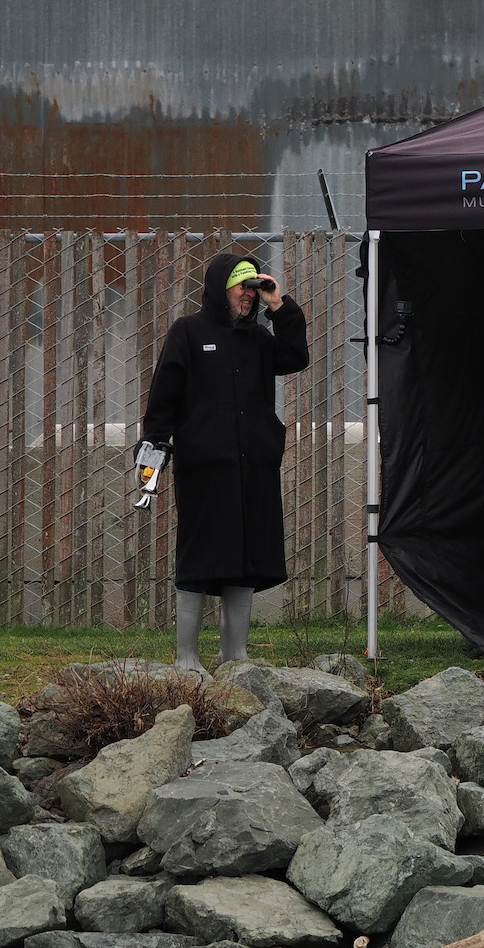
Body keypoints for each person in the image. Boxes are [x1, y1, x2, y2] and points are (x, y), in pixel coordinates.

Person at [138, 253, 310, 672]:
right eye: (241, 288)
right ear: (220, 288)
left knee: (246, 555)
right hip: (205, 464)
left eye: (253, 289)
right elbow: (164, 395)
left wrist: (278, 304)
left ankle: (235, 655)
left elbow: (295, 357)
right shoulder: (189, 331)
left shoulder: (258, 337)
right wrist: (153, 450)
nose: (248, 296)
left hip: (254, 465)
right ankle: (186, 657)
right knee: (200, 553)